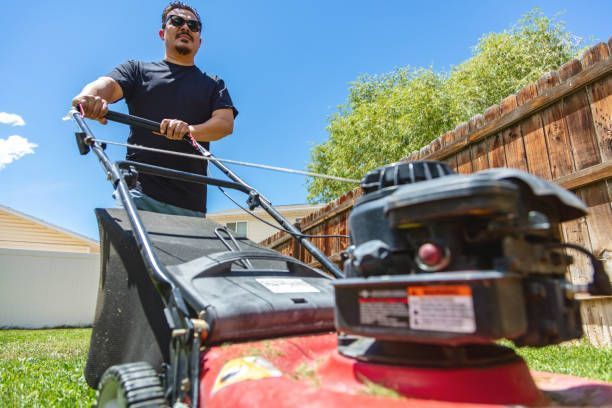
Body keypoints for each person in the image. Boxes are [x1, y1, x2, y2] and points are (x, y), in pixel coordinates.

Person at [72, 2, 238, 217]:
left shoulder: (213, 84)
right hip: (138, 194)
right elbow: (107, 85)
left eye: (193, 25)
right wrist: (91, 96)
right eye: (177, 21)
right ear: (162, 32)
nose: (185, 27)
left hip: (191, 205)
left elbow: (225, 124)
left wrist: (189, 130)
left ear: (200, 41)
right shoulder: (137, 70)